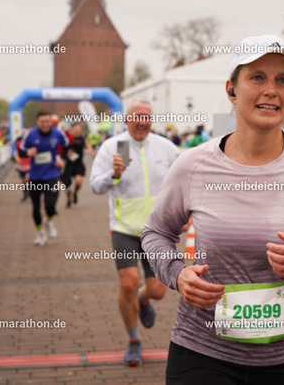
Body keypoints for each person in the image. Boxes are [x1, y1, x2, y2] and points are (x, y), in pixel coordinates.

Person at [141, 35, 284, 384]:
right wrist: (177, 275)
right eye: (257, 77)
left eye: (283, 80)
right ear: (231, 90)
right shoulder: (193, 165)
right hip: (203, 353)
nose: (271, 90)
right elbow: (155, 232)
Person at [90, 99, 180, 367]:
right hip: (124, 228)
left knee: (158, 291)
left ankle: (143, 299)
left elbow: (183, 181)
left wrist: (184, 214)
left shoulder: (166, 147)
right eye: (137, 117)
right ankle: (133, 340)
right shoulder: (112, 147)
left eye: (146, 117)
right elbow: (95, 186)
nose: (142, 122)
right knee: (128, 283)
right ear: (127, 120)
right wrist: (113, 174)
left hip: (158, 230)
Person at [20, 110, 68, 246]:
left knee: (50, 205)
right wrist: (28, 152)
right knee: (36, 207)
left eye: (47, 121)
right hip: (35, 176)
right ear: (38, 122)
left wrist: (61, 158)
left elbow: (67, 146)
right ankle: (40, 232)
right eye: (42, 122)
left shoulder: (58, 134)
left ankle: (48, 221)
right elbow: (20, 151)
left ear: (51, 122)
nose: (45, 124)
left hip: (52, 174)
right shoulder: (30, 135)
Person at [61, 122, 93, 208]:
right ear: (72, 129)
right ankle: (69, 200)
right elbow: (61, 149)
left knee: (78, 182)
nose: (78, 130)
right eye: (76, 128)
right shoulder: (67, 138)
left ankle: (75, 193)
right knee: (67, 186)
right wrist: (65, 154)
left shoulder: (82, 138)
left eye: (79, 128)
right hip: (68, 164)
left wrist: (89, 150)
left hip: (78, 163)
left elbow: (88, 146)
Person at [14, 134, 31, 202]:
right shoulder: (19, 143)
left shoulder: (33, 142)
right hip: (22, 165)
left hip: (30, 165)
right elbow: (16, 153)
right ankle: (25, 194)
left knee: (28, 179)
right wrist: (17, 159)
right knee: (24, 181)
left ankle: (32, 193)